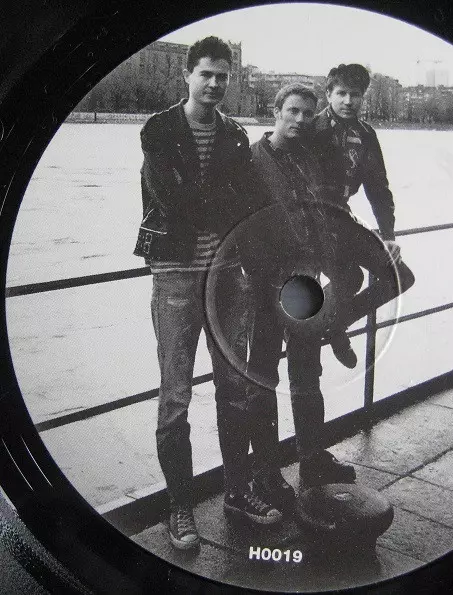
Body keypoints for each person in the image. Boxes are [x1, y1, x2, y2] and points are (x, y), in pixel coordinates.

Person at [133, 36, 283, 551]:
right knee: (175, 395)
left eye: (223, 76)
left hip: (226, 277)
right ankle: (180, 507)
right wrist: (225, 205)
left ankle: (237, 492)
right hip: (176, 274)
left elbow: (250, 203)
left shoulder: (235, 136)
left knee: (234, 388)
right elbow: (173, 201)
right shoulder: (159, 130)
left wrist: (230, 211)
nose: (215, 84)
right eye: (206, 74)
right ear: (187, 75)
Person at [243, 84, 404, 499]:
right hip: (267, 287)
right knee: (263, 375)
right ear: (276, 111)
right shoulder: (254, 160)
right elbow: (244, 228)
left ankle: (312, 459)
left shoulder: (310, 158)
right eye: (292, 111)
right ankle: (266, 471)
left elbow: (326, 213)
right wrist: (268, 275)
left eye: (306, 113)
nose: (299, 120)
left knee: (306, 371)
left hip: (306, 282)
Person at [312, 64, 401, 367]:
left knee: (398, 277)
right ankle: (325, 326)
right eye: (341, 93)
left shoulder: (366, 135)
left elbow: (379, 189)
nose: (348, 101)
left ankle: (334, 324)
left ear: (363, 97)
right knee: (350, 277)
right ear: (328, 94)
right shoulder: (311, 128)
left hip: (342, 218)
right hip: (310, 223)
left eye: (356, 95)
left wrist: (388, 235)